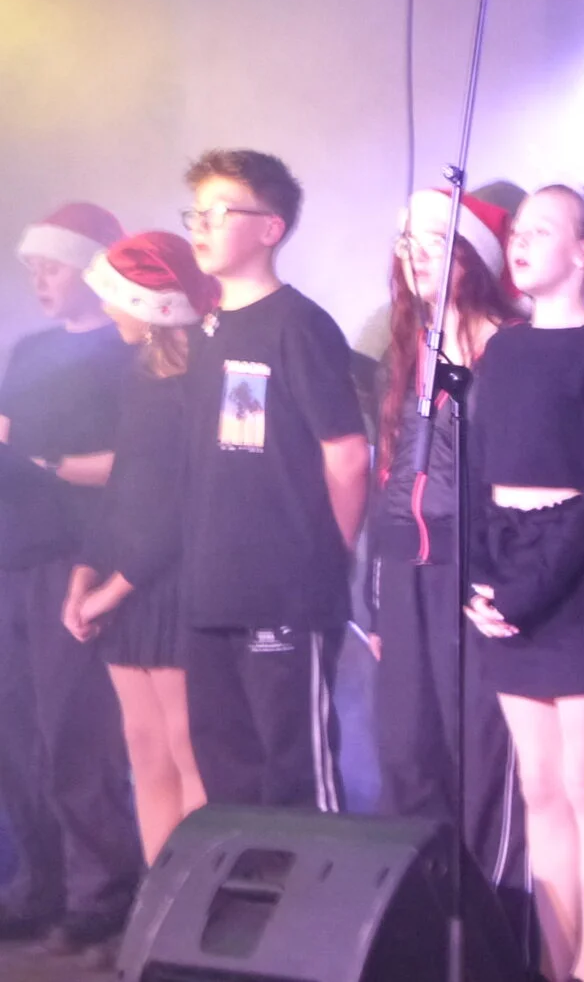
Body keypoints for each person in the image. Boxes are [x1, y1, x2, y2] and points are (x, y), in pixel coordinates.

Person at [465, 184, 584, 982]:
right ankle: (556, 965)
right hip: (508, 564)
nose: (520, 243)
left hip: (576, 576)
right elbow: (477, 472)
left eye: (541, 230)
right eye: (517, 232)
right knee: (539, 785)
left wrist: (529, 589)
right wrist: (481, 578)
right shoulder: (502, 351)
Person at [368, 188, 532, 956]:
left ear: (474, 256)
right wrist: (374, 594)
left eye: (436, 241)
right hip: (407, 572)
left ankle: (494, 944)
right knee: (406, 753)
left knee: (484, 762)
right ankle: (423, 936)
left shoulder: (514, 349)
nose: (417, 255)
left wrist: (513, 575)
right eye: (409, 242)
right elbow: (391, 472)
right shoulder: (407, 348)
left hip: (477, 569)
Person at [180, 150, 369, 813]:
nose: (201, 225)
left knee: (296, 776)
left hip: (285, 590)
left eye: (219, 212)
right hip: (210, 591)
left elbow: (347, 455)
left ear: (270, 228)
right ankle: (247, 883)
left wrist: (329, 555)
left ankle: (313, 886)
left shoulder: (299, 325)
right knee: (227, 776)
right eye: (195, 213)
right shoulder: (205, 331)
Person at [0, 203, 143, 959]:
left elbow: (135, 464)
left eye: (52, 266)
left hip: (75, 559)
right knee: (16, 735)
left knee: (73, 735)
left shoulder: (125, 353)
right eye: (33, 268)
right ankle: (39, 885)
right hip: (11, 560)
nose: (40, 280)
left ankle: (102, 893)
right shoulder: (29, 352)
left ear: (92, 267)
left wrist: (38, 455)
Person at [63, 233, 216, 875]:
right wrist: (84, 574)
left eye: (117, 300)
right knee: (145, 748)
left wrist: (112, 589)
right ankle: (160, 900)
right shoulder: (139, 378)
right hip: (126, 590)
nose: (108, 312)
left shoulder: (201, 383)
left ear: (154, 306)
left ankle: (198, 907)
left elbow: (180, 507)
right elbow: (124, 485)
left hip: (174, 587)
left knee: (187, 751)